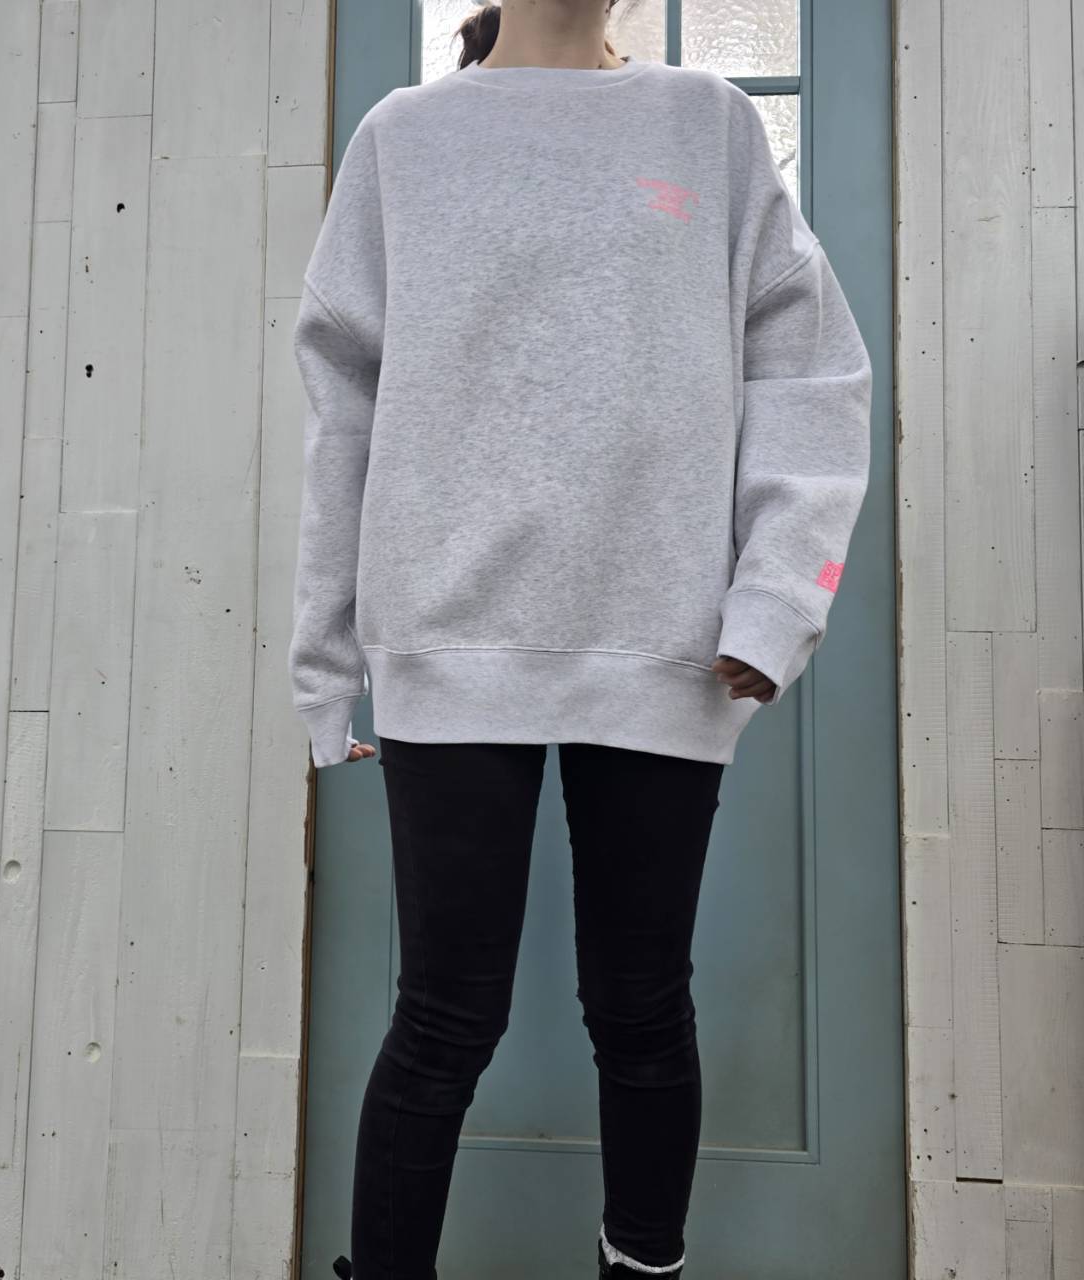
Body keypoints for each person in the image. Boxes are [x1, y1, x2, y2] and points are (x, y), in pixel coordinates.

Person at [288, 0, 873, 1274]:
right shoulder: (402, 140)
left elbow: (812, 376)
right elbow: (342, 415)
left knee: (641, 1008)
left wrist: (777, 600)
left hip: (665, 642)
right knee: (443, 1017)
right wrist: (324, 664)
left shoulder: (706, 124)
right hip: (447, 638)